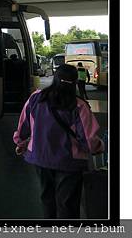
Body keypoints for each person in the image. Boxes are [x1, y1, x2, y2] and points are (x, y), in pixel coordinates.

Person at [13, 64, 104, 219]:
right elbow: (89, 142)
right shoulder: (79, 105)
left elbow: (23, 126)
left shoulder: (36, 97)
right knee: (67, 204)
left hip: (40, 158)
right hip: (69, 162)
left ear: (54, 78)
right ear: (75, 82)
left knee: (47, 199)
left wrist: (20, 143)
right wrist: (99, 147)